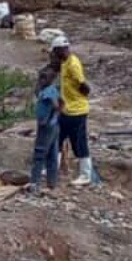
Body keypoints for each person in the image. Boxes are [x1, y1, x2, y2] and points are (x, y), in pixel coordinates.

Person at [52, 36, 94, 186]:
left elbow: (84, 86)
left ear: (60, 50)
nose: (55, 55)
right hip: (66, 110)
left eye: (56, 51)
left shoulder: (73, 65)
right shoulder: (65, 62)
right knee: (57, 138)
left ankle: (85, 175)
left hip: (77, 111)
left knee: (79, 143)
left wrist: (77, 95)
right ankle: (52, 168)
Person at [30, 61, 62, 193]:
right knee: (52, 154)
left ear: (52, 78)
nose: (41, 80)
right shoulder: (50, 89)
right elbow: (37, 92)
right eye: (41, 77)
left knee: (39, 153)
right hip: (54, 126)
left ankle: (34, 183)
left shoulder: (49, 91)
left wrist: (47, 118)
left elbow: (56, 105)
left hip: (46, 126)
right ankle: (52, 182)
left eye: (44, 78)